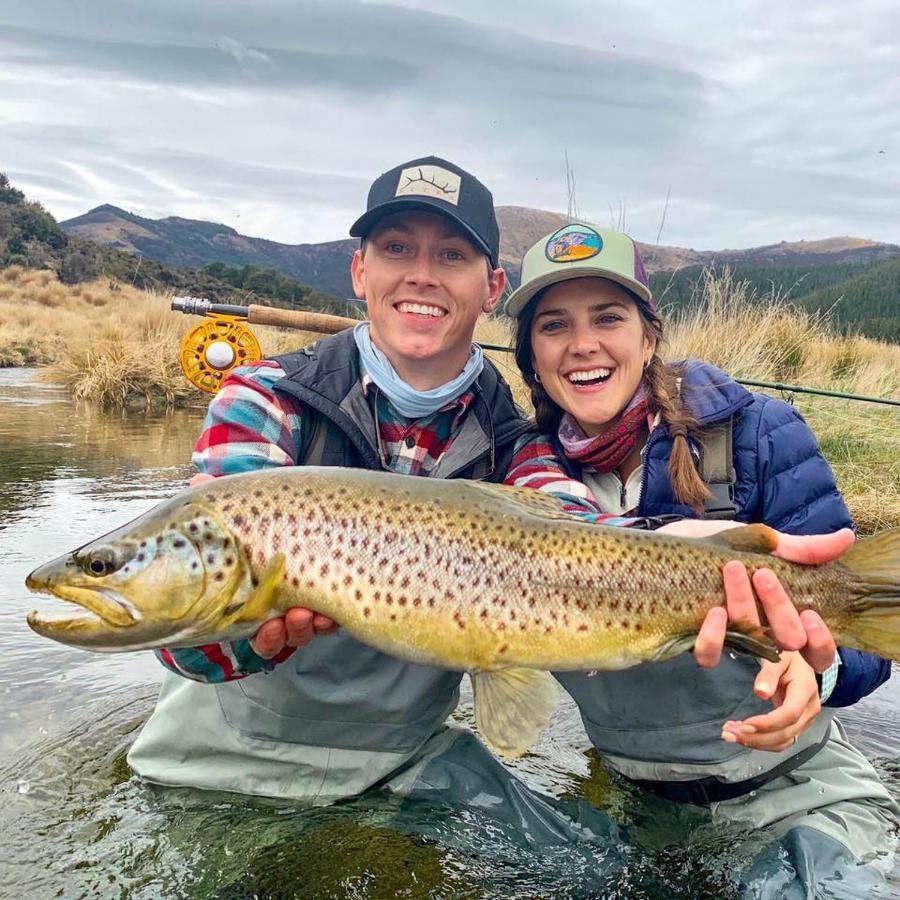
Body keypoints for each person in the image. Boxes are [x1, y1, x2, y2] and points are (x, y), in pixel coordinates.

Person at [129, 157, 863, 811]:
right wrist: (247, 638)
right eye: (396, 249)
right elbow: (185, 641)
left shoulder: (516, 442)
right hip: (218, 769)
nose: (421, 272)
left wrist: (690, 554)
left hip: (401, 768)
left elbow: (578, 535)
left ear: (490, 287)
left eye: (450, 253)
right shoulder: (265, 399)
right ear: (359, 270)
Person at [503, 222, 897, 887]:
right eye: (553, 326)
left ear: (649, 335)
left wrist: (818, 674)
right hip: (637, 806)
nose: (583, 345)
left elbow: (870, 647)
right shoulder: (517, 484)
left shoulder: (757, 436)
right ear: (530, 355)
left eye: (608, 317)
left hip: (798, 789)